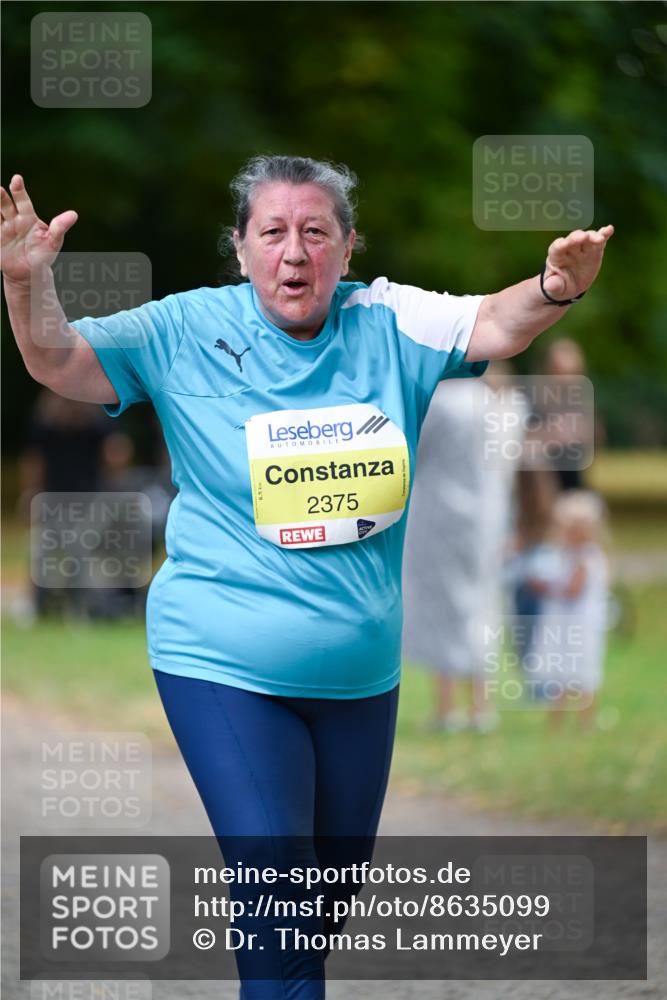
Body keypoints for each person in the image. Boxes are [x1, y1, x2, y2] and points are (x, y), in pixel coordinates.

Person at [1, 155, 614, 998]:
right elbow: (57, 361)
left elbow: (496, 325)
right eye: (273, 233)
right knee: (278, 903)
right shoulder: (183, 330)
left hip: (362, 674)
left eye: (315, 232)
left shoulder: (388, 320)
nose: (295, 252)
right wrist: (25, 283)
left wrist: (552, 285)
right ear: (242, 249)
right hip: (220, 658)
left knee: (323, 904)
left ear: (347, 247)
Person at [401, 368, 525, 732]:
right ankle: (480, 705)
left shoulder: (440, 401)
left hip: (441, 513)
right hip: (489, 514)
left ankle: (447, 706)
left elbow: (413, 453)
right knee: (484, 602)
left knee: (445, 606)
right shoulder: (497, 402)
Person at [517, 490, 610, 727]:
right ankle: (557, 720)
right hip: (563, 627)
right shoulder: (564, 556)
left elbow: (573, 591)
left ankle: (585, 720)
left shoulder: (586, 559)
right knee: (561, 675)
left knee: (582, 673)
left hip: (579, 627)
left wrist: (544, 587)